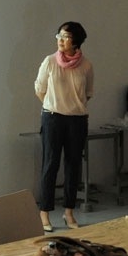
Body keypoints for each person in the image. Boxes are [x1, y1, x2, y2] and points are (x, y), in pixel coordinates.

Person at [34, 21, 94, 231]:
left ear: (76, 42)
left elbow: (87, 94)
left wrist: (72, 108)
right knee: (50, 164)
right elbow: (39, 90)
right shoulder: (50, 62)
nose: (60, 40)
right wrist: (55, 105)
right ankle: (44, 213)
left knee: (73, 165)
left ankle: (69, 212)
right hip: (52, 118)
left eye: (65, 36)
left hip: (77, 120)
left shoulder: (86, 65)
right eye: (58, 35)